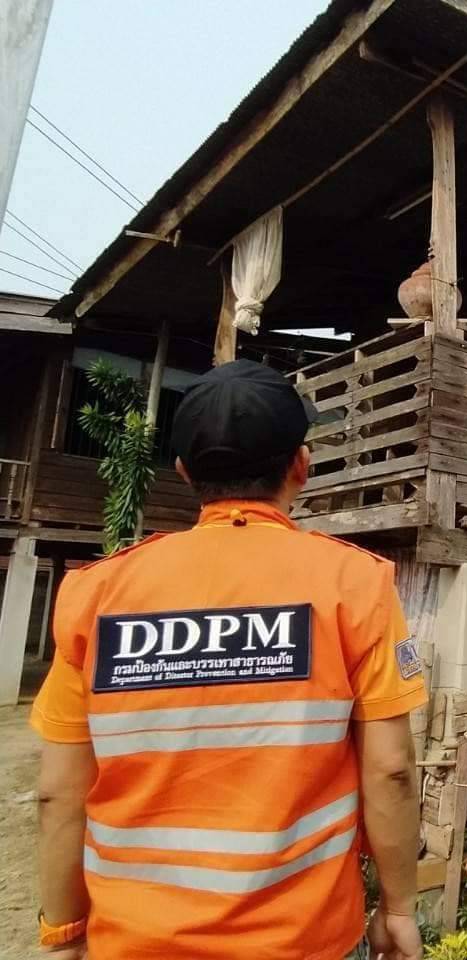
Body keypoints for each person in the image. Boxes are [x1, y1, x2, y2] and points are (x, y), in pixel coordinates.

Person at [30, 360, 427, 960]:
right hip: (305, 939)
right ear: (302, 465)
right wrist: (398, 908)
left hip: (135, 942)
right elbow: (391, 769)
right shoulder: (354, 585)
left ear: (184, 472)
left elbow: (60, 793)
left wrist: (63, 934)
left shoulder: (96, 595)